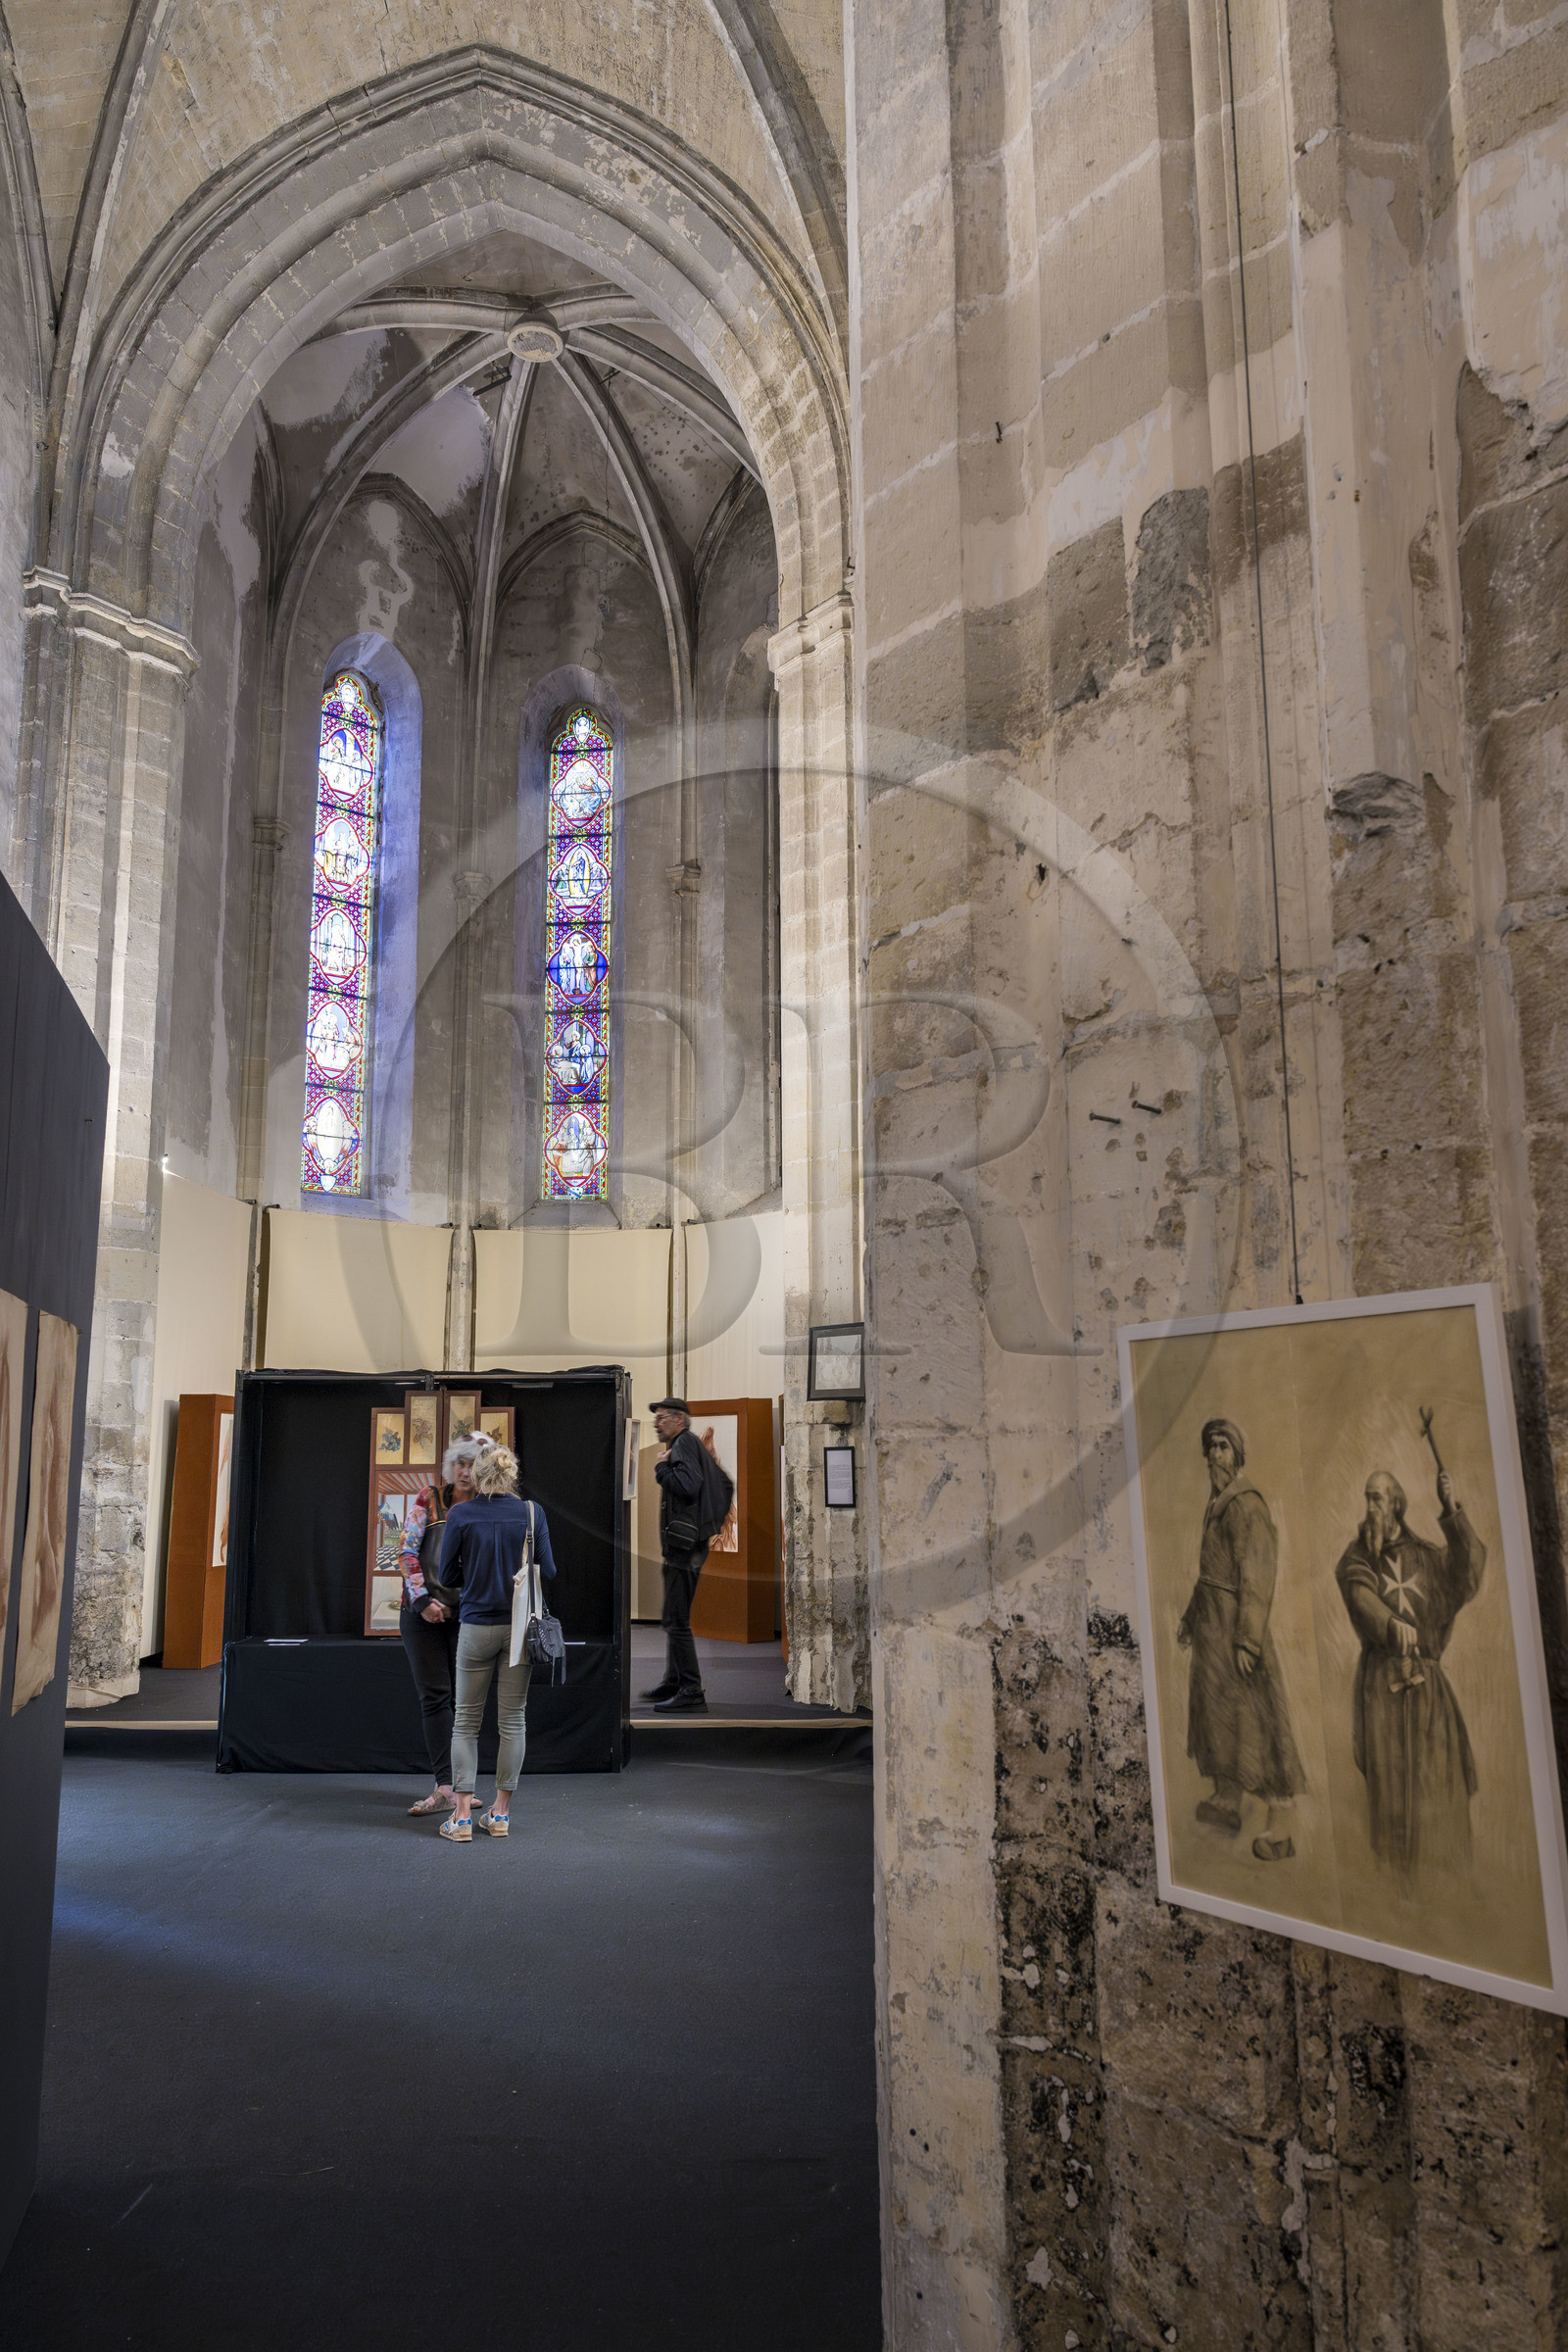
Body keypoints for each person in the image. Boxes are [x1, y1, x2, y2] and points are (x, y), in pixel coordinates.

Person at [1335, 1463, 1484, 1879]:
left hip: (1427, 1690)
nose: (1370, 1506)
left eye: (1377, 1498)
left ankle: (1444, 1884)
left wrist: (1452, 1510)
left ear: (1396, 1504)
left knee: (1437, 1784)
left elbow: (1466, 1575)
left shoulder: (1426, 1557)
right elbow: (1359, 1595)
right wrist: (1389, 1625)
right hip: (1382, 1687)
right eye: (1367, 1497)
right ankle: (1397, 1887)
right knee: (1391, 1790)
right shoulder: (1360, 1553)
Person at [1177, 1417, 1304, 1859]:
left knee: (1259, 1724)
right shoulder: (1216, 1504)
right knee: (1218, 1720)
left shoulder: (1246, 1505)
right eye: (1210, 1446)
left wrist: (1248, 1639)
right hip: (1212, 1632)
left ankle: (1281, 1828)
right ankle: (1227, 1800)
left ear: (1238, 1454)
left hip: (1235, 1634)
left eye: (1223, 1446)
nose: (1215, 1454)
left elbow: (1258, 1572)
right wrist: (1191, 1619)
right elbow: (1210, 1575)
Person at [435, 1440, 558, 1844]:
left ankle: (463, 1817)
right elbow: (549, 1570)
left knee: (466, 1722)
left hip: (475, 1627)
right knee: (513, 1721)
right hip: (519, 1629)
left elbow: (447, 1576)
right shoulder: (530, 1512)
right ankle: (501, 1814)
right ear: (511, 1474)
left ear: (480, 1474)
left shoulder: (461, 1514)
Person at [396, 1436, 480, 1817]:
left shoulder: (489, 1506)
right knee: (435, 1698)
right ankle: (444, 1785)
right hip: (423, 1615)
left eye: (473, 1464)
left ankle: (463, 1789)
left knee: (466, 1702)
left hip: (469, 1616)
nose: (465, 1471)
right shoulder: (428, 1498)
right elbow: (407, 1550)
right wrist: (422, 1601)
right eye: (460, 1463)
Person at [643, 1396, 711, 1712]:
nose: (656, 1423)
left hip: (684, 1551)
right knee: (674, 1617)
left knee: (678, 1620)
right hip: (685, 1548)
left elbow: (688, 1483)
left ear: (679, 1419)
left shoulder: (683, 1442)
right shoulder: (686, 1442)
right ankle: (673, 1680)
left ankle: (691, 1689)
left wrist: (661, 1466)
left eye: (661, 1417)